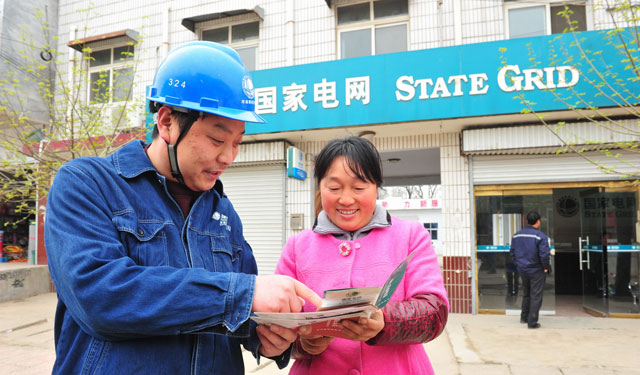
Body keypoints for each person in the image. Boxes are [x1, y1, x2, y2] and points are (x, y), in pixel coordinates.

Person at [44, 41, 321, 374]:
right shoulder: (87, 184)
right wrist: (241, 295)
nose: (228, 157)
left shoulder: (223, 214)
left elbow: (244, 312)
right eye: (217, 140)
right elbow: (100, 297)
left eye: (237, 142)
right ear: (166, 123)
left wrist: (271, 336)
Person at [275, 136, 449, 375]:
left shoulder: (411, 236)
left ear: (376, 187)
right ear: (320, 187)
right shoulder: (297, 246)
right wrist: (303, 344)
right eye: (334, 188)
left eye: (358, 188)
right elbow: (277, 327)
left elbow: (434, 314)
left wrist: (384, 321)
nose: (346, 200)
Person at [510, 211, 551, 329]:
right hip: (536, 270)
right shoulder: (540, 236)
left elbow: (512, 252)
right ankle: (532, 322)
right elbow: (544, 255)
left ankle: (524, 317)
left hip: (523, 269)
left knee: (526, 293)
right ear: (538, 221)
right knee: (536, 295)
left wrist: (518, 264)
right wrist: (546, 268)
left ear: (527, 221)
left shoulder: (516, 235)